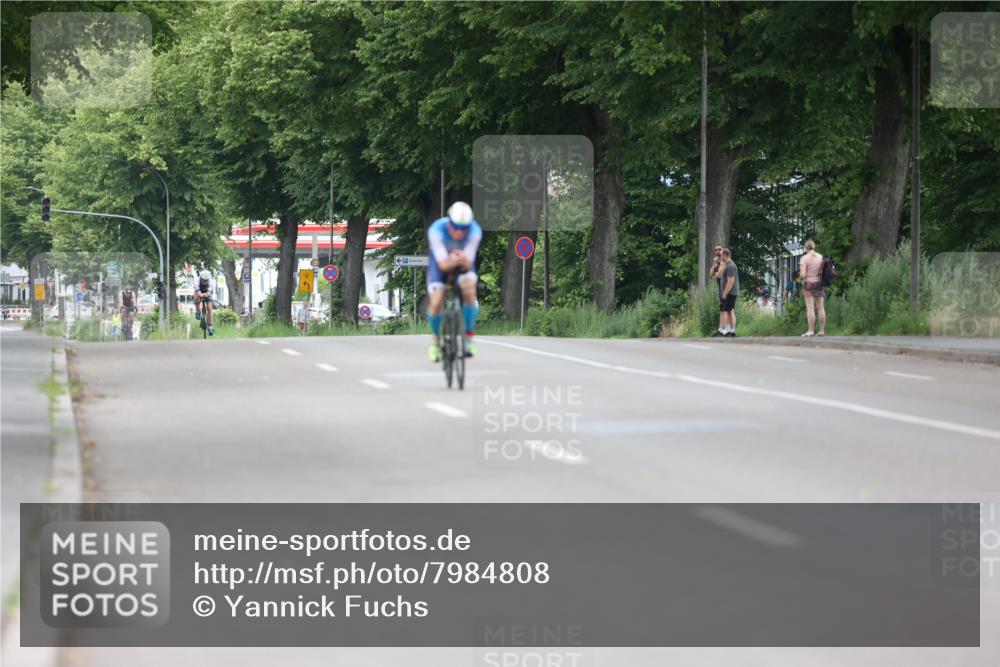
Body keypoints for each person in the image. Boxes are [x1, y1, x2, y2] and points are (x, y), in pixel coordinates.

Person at [426, 201, 483, 361]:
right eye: (456, 227)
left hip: (461, 263)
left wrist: (458, 260)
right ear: (449, 222)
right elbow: (443, 265)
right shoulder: (436, 230)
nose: (459, 232)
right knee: (437, 301)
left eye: (463, 229)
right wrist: (456, 259)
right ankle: (436, 342)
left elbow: (468, 263)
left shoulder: (475, 231)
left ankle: (469, 336)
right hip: (439, 264)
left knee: (470, 290)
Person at [799, 239, 826, 337]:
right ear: (814, 247)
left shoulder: (804, 258)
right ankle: (822, 331)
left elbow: (803, 274)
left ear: (806, 248)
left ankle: (810, 331)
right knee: (820, 308)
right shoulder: (820, 257)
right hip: (819, 284)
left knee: (810, 308)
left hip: (809, 284)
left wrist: (802, 274)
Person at [713, 248, 739, 337]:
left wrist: (725, 293)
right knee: (729, 310)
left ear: (725, 255)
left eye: (721, 254)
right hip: (730, 293)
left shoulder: (731, 266)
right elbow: (716, 274)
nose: (720, 255)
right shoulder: (727, 265)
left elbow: (730, 281)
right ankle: (732, 331)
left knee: (723, 310)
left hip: (730, 293)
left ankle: (720, 331)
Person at [194, 269, 215, 335]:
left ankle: (210, 327)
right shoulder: (196, 281)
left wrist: (206, 294)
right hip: (199, 291)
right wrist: (200, 296)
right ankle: (198, 311)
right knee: (196, 299)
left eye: (206, 280)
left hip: (207, 292)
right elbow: (198, 293)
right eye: (204, 280)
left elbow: (209, 292)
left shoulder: (211, 282)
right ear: (200, 278)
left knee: (209, 308)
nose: (205, 282)